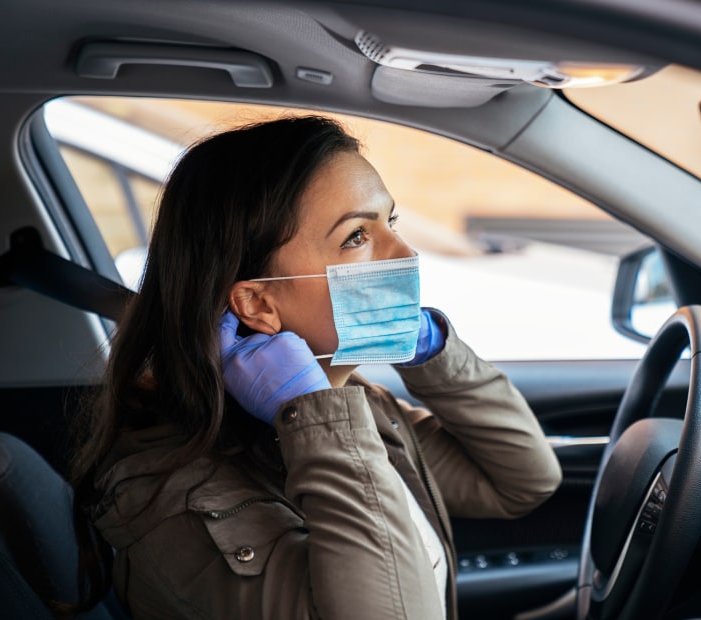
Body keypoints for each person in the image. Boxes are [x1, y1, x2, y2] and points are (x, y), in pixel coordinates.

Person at [68, 115, 562, 619]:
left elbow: (522, 480)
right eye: (355, 237)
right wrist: (317, 417)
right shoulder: (178, 500)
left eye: (390, 222)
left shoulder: (360, 406)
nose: (404, 253)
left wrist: (430, 350)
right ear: (257, 304)